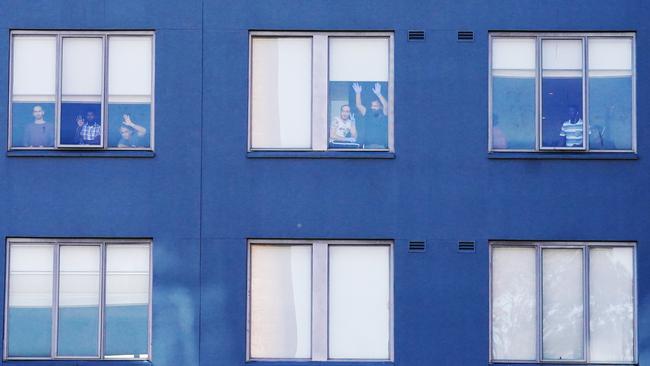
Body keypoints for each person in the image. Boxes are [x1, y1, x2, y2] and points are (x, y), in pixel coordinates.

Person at [352, 82, 389, 149]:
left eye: (375, 106)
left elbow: (386, 106)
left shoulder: (384, 113)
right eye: (372, 106)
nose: (373, 107)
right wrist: (358, 93)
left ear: (380, 107)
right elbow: (359, 105)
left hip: (382, 147)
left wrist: (379, 94)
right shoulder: (368, 113)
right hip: (368, 146)